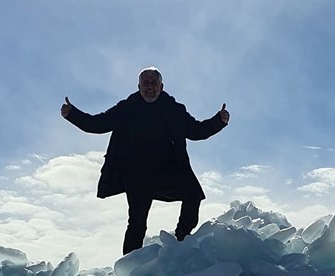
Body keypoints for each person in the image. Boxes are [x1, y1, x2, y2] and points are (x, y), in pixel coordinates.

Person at [61, 67, 229, 254]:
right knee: (137, 221)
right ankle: (130, 265)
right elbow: (97, 124)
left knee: (193, 194)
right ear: (139, 86)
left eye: (154, 83)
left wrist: (218, 121)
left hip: (168, 170)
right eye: (146, 83)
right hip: (136, 173)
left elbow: (196, 131)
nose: (150, 87)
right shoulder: (126, 108)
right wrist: (72, 114)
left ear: (161, 86)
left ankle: (182, 238)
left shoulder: (174, 109)